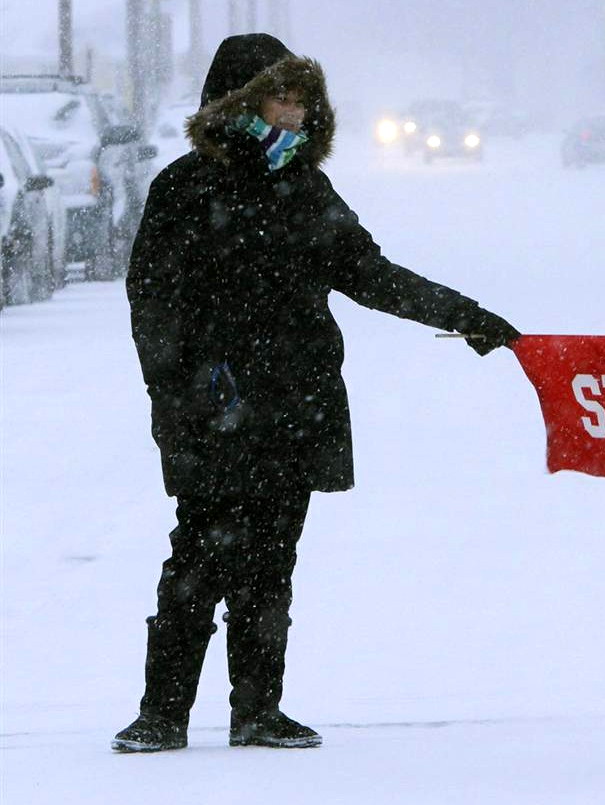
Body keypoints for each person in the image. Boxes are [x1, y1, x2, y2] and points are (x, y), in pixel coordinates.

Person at [112, 34, 519, 753]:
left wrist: (467, 315)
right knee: (198, 558)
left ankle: (258, 711)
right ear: (239, 102)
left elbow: (371, 274)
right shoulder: (185, 187)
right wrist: (177, 390)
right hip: (213, 408)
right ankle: (162, 714)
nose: (295, 112)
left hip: (295, 406)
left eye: (303, 99)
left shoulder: (304, 188)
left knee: (271, 564)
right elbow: (152, 302)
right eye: (281, 96)